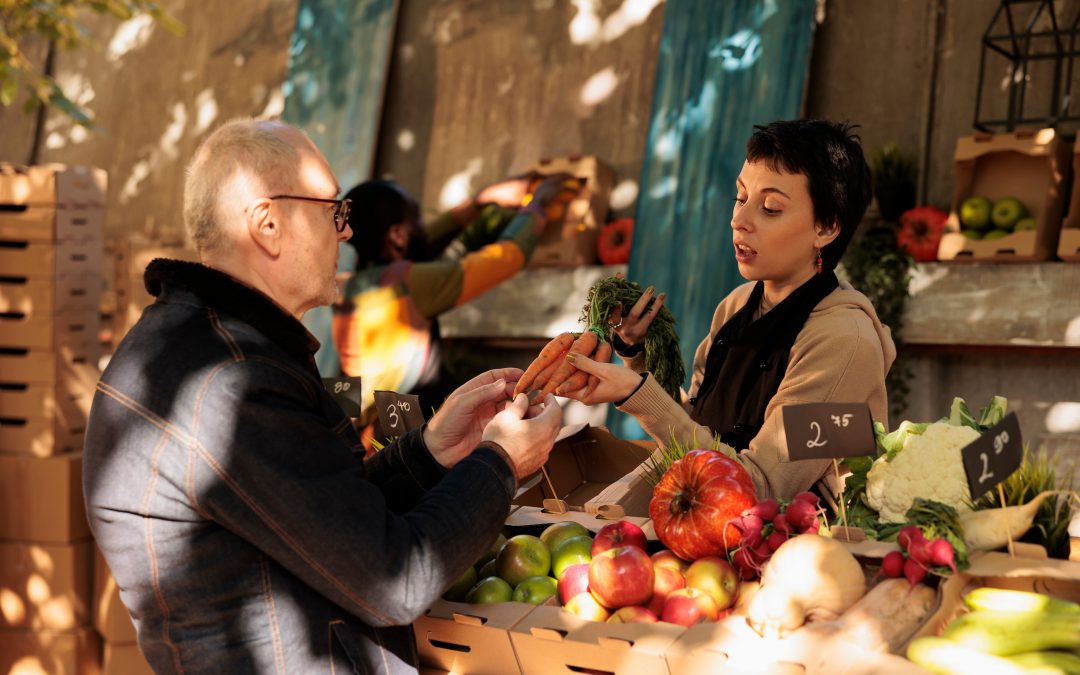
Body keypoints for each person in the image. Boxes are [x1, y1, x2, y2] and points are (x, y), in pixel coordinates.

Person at [82, 118, 563, 674]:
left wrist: (429, 452)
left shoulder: (201, 348)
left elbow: (321, 514)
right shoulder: (231, 386)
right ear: (267, 225)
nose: (345, 233)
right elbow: (395, 578)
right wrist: (500, 462)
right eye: (332, 211)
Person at [560, 119, 896, 501]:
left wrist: (637, 395)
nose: (739, 220)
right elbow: (699, 431)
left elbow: (762, 486)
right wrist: (637, 357)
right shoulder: (737, 305)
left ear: (826, 227)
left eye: (770, 207)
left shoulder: (846, 343)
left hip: (791, 546)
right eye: (741, 198)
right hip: (706, 525)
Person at [331, 172, 578, 440]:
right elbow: (505, 258)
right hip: (397, 417)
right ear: (398, 235)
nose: (424, 225)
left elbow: (424, 240)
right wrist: (537, 206)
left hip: (361, 409)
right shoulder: (407, 285)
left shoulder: (351, 286)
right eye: (417, 219)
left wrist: (481, 201)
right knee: (420, 468)